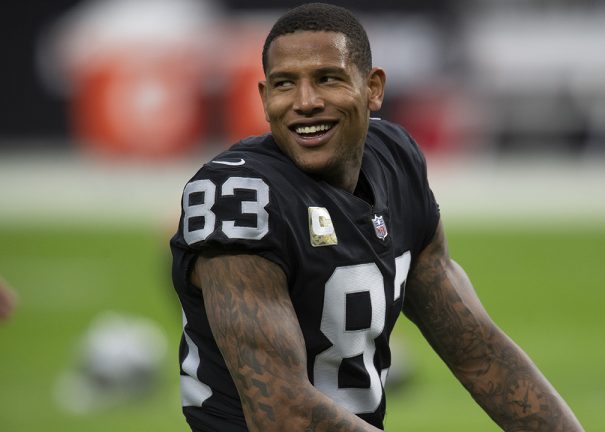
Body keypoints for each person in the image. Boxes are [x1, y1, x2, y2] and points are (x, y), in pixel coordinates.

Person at [169, 3, 584, 431]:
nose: (305, 102)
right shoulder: (238, 196)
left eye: (327, 79)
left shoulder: (394, 160)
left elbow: (478, 352)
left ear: (373, 88)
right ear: (264, 98)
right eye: (284, 84)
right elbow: (282, 412)